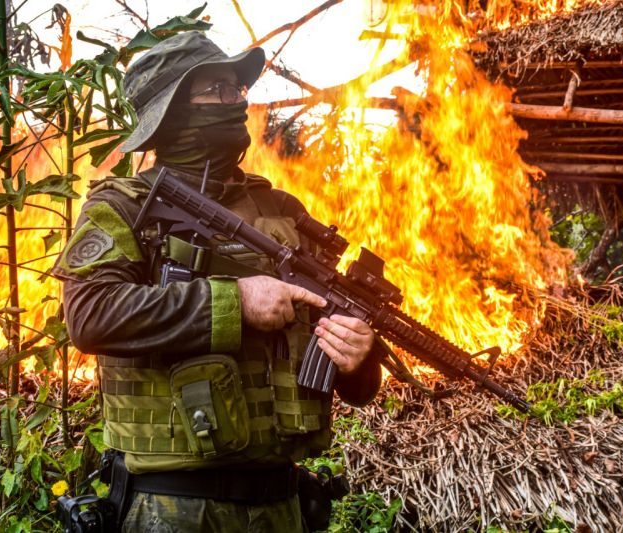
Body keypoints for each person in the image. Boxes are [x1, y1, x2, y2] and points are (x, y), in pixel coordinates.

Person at [54, 30, 382, 532]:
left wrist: (358, 360)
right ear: (172, 110)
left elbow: (342, 370)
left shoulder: (281, 211)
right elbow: (91, 315)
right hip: (173, 505)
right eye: (218, 90)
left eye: (238, 90)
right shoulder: (123, 207)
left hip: (281, 504)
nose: (236, 103)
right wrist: (236, 302)